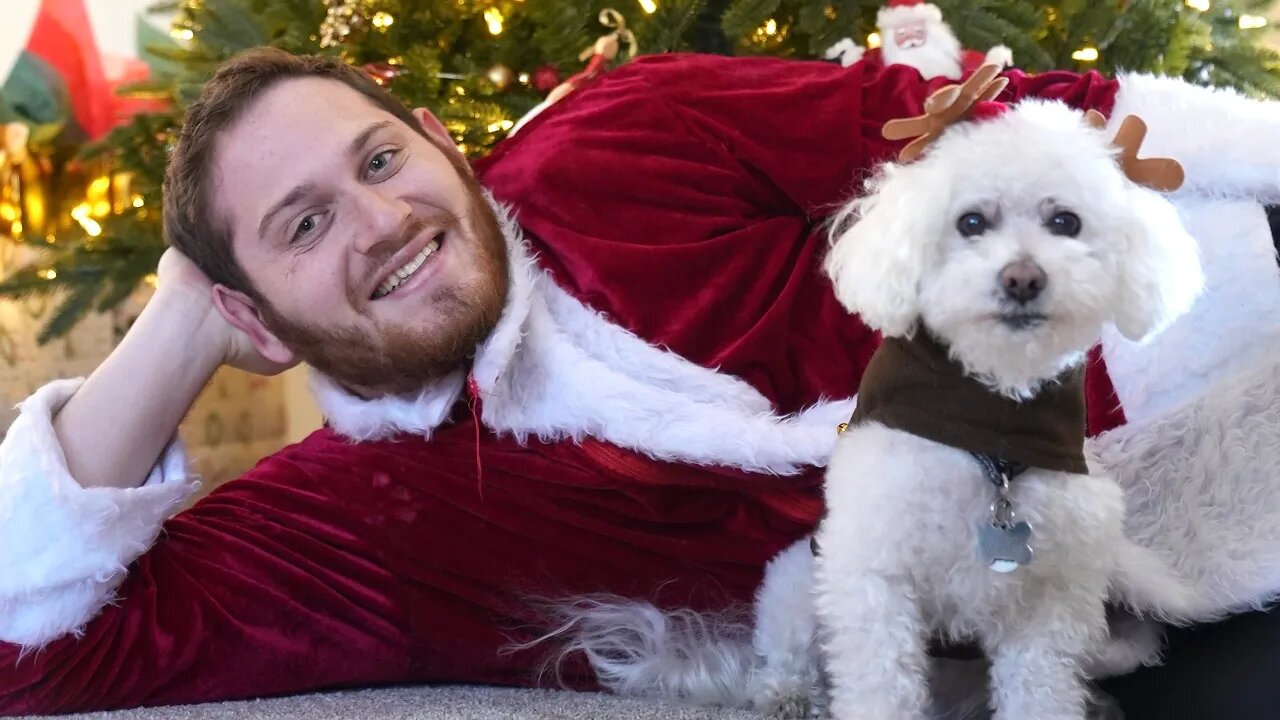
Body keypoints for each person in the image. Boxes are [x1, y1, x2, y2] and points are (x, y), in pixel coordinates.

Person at [0, 47, 1276, 718]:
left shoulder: (618, 134)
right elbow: (25, 649)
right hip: (1142, 574)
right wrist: (174, 325)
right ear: (253, 320)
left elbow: (964, 122)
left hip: (1222, 299)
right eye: (300, 226)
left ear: (442, 143)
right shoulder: (354, 524)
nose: (380, 220)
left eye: (381, 158)